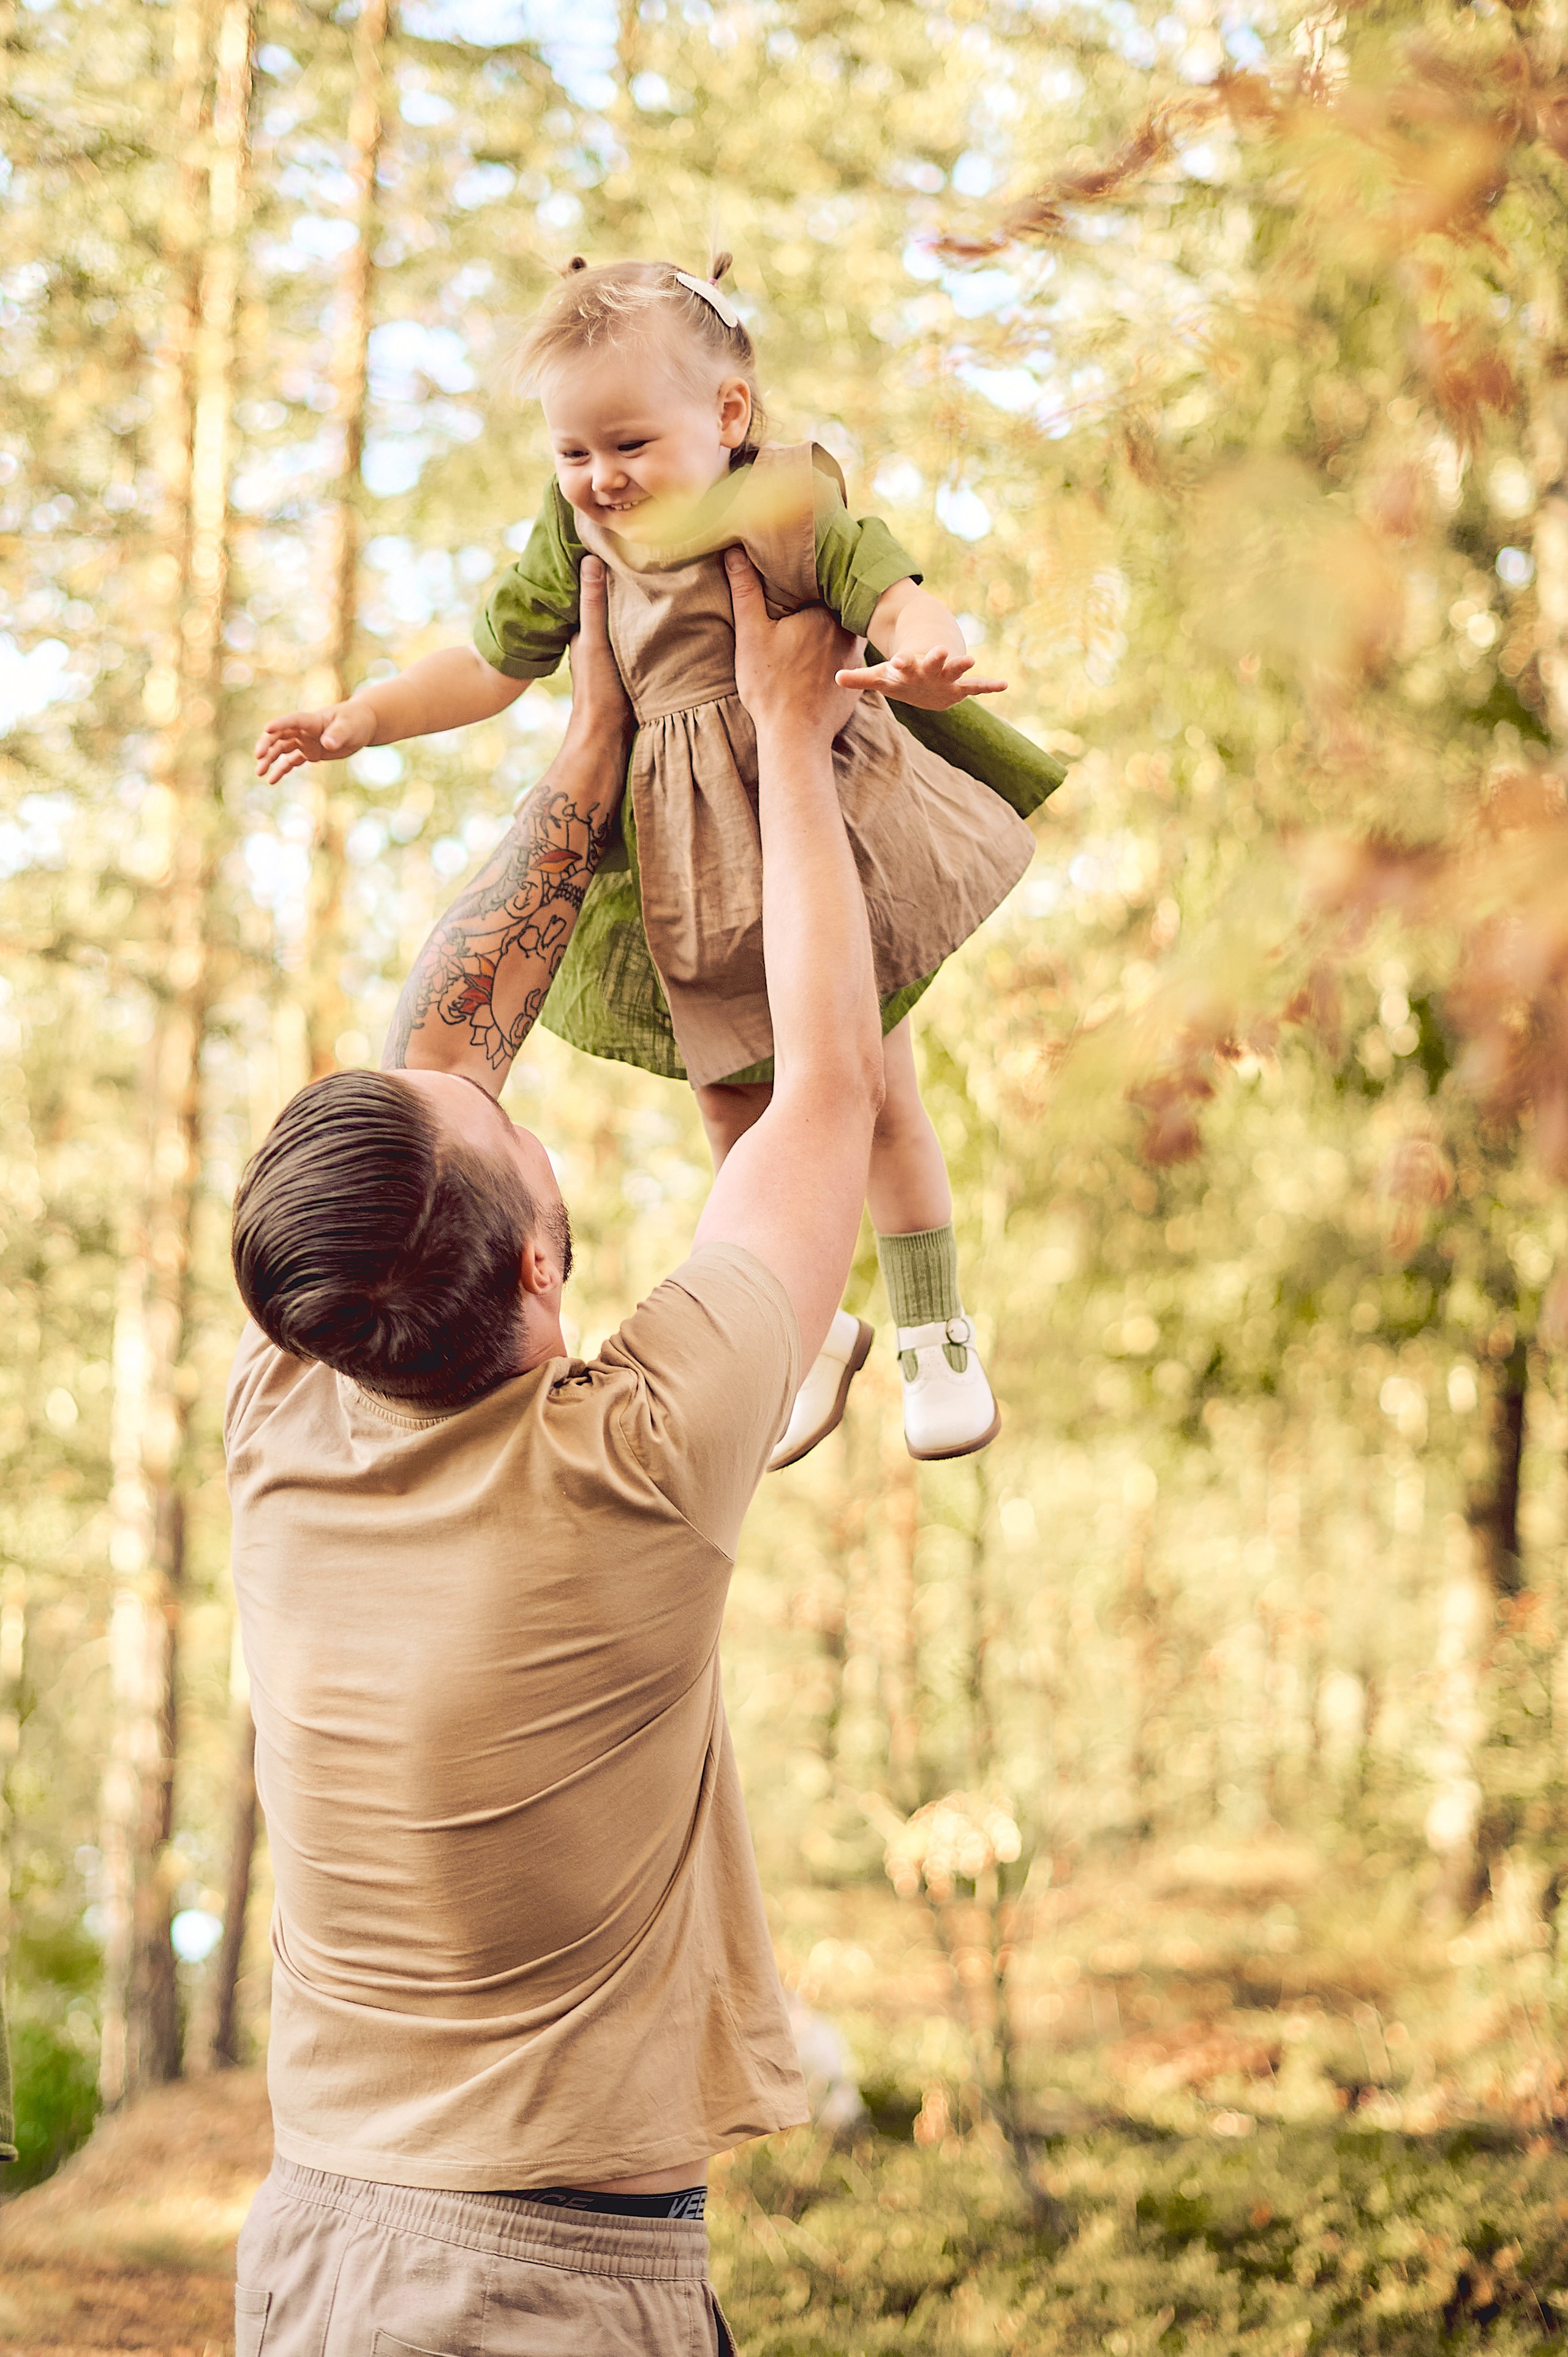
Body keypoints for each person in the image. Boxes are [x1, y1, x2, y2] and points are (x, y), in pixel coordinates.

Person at [224, 550, 884, 2355]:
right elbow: (825, 1088)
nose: (474, 1072)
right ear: (537, 1256)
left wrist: (587, 754)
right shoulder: (637, 1465)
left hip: (317, 2251)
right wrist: (790, 737)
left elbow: (439, 1053)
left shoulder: (292, 1406)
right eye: (500, 1130)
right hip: (539, 2298)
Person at [255, 254, 1068, 1470]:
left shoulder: (783, 505)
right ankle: (791, 1317)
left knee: (867, 1080)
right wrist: (363, 717)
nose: (599, 478)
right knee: (733, 1103)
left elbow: (888, 586)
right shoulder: (574, 536)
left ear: (728, 415)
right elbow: (489, 665)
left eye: (628, 443)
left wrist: (928, 647)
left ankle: (932, 1326)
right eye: (573, 453)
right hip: (687, 868)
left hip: (823, 834)